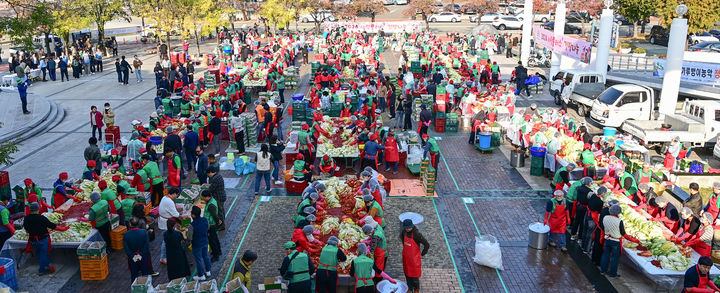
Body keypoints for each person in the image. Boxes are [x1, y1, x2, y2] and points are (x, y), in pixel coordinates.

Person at [25, 202, 67, 275]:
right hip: (43, 239)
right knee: (43, 254)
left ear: (30, 209)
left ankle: (47, 264)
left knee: (38, 254)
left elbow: (26, 229)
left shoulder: (27, 218)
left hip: (33, 240)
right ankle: (42, 269)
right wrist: (63, 229)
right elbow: (52, 226)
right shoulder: (41, 218)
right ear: (38, 209)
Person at [600, 204, 640, 278]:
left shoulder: (605, 217)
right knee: (615, 258)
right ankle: (613, 274)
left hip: (607, 239)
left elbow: (603, 227)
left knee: (605, 255)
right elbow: (623, 234)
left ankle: (603, 270)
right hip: (615, 242)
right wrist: (634, 240)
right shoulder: (619, 221)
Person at [400, 219, 429, 293]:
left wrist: (422, 254)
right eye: (406, 228)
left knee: (414, 276)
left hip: (414, 259)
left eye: (409, 228)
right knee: (407, 274)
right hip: (406, 258)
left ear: (412, 226)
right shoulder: (404, 232)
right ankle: (409, 288)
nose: (407, 229)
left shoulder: (417, 234)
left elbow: (427, 245)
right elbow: (402, 239)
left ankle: (416, 289)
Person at [123, 217, 150, 282]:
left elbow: (126, 248)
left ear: (130, 224)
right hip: (142, 256)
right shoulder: (143, 232)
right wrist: (141, 254)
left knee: (134, 274)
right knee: (145, 273)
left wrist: (132, 256)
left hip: (132, 257)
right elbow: (146, 245)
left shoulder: (126, 234)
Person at [158, 187, 181, 264]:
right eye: (177, 195)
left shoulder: (165, 197)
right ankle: (163, 257)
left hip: (164, 221)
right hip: (166, 223)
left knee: (166, 239)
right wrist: (182, 216)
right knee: (165, 241)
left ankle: (167, 254)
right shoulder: (169, 201)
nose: (176, 197)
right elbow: (175, 214)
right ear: (174, 193)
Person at [189, 206, 211, 280]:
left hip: (196, 244)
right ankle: (208, 271)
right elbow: (208, 227)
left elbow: (190, 237)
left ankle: (201, 275)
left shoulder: (191, 225)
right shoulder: (205, 219)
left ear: (193, 215)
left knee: (198, 259)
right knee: (206, 256)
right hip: (205, 241)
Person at [201, 190, 222, 261]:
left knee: (212, 240)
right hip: (212, 223)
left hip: (211, 224)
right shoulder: (212, 200)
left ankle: (216, 255)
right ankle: (218, 251)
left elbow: (214, 215)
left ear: (208, 197)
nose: (203, 198)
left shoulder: (210, 205)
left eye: (204, 197)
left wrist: (218, 221)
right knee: (215, 238)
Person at [207, 166, 226, 230]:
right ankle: (223, 220)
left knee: (219, 212)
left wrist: (206, 191)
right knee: (222, 210)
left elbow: (211, 189)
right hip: (222, 196)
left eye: (208, 174)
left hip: (218, 197)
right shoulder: (218, 175)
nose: (208, 176)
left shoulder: (215, 179)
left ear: (210, 173)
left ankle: (221, 225)